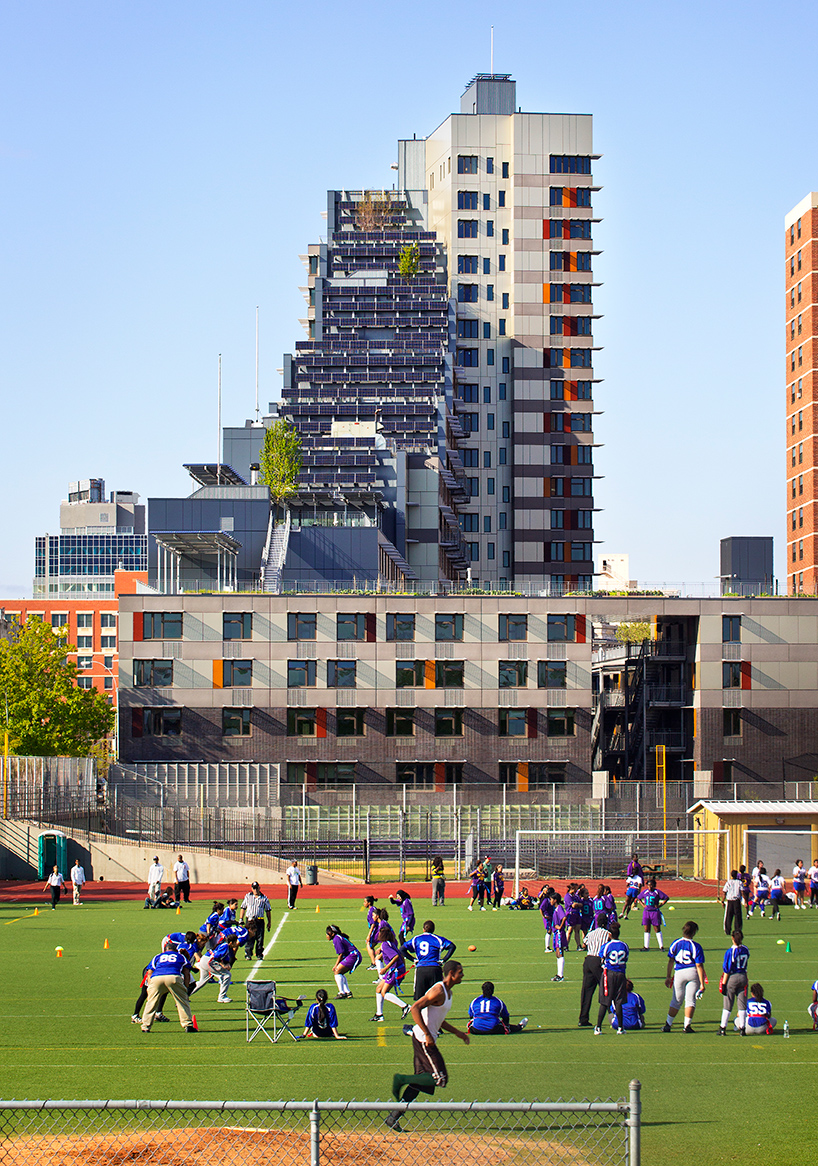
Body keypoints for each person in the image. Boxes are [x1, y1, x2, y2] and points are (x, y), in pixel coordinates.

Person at [386, 960, 470, 1131]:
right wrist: (426, 1033)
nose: (462, 975)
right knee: (440, 1079)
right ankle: (402, 1079)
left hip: (425, 1038)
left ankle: (393, 1117)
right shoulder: (438, 990)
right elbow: (415, 1007)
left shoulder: (449, 993)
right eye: (460, 972)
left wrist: (458, 1033)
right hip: (423, 1040)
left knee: (420, 1083)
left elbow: (439, 1019)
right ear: (451, 973)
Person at [662, 920, 706, 1034]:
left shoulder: (676, 943)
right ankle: (687, 1026)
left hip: (679, 973)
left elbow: (670, 961)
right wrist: (702, 983)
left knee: (676, 1000)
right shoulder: (695, 946)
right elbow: (699, 966)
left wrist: (668, 976)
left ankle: (668, 1024)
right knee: (690, 1000)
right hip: (692, 972)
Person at [140, 948, 196, 1033]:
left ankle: (145, 1026)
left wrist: (150, 987)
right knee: (182, 1001)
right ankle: (187, 1025)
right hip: (173, 977)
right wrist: (185, 987)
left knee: (151, 1002)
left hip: (156, 978)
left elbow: (150, 972)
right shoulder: (180, 956)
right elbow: (186, 972)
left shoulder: (158, 956)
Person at [401, 920, 457, 1000]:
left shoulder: (416, 939)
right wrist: (443, 960)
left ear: (423, 929)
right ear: (433, 930)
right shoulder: (438, 939)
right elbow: (452, 946)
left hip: (421, 969)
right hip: (435, 969)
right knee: (436, 997)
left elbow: (402, 949)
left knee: (420, 999)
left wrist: (413, 959)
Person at [371, 917, 411, 1022]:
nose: (378, 935)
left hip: (395, 970)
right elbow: (400, 954)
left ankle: (405, 1006)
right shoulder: (389, 943)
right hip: (396, 970)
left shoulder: (385, 945)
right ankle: (379, 1014)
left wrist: (385, 968)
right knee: (378, 989)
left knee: (384, 992)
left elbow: (395, 957)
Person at [578, 914, 612, 1027]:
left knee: (586, 991)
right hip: (599, 961)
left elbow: (584, 944)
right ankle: (612, 1015)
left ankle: (583, 1018)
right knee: (606, 988)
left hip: (588, 960)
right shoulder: (607, 934)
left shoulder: (591, 933)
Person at [595, 923, 629, 1034]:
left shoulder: (607, 946)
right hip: (621, 974)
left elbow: (601, 957)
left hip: (609, 974)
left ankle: (598, 1027)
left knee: (605, 1001)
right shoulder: (624, 945)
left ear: (609, 934)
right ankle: (620, 1028)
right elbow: (626, 958)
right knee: (618, 1001)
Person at [718, 929, 750, 1036]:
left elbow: (727, 969)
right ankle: (742, 1028)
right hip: (743, 976)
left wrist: (723, 984)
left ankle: (723, 1028)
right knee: (742, 1004)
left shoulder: (730, 952)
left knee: (728, 1004)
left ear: (732, 938)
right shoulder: (746, 949)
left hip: (732, 977)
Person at [191, 935, 238, 1003]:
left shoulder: (227, 946)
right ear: (231, 942)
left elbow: (225, 958)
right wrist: (223, 965)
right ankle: (222, 997)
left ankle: (185, 995)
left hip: (205, 960)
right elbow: (216, 957)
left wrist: (227, 964)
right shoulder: (225, 946)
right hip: (208, 961)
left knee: (202, 981)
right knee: (226, 975)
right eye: (235, 942)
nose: (236, 944)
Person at [239, 882, 272, 959]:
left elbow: (268, 910)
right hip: (250, 920)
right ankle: (248, 953)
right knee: (249, 937)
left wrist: (269, 922)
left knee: (260, 938)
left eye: (256, 888)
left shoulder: (264, 898)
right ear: (251, 889)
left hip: (259, 920)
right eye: (254, 888)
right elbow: (243, 907)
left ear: (259, 888)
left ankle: (259, 954)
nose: (255, 890)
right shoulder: (248, 896)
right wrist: (241, 919)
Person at [327, 925, 361, 998]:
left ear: (332, 933)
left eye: (327, 933)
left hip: (353, 956)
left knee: (337, 971)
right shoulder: (338, 937)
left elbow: (341, 954)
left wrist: (336, 965)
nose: (326, 935)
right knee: (340, 972)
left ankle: (342, 993)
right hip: (353, 955)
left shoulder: (336, 939)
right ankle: (347, 992)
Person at [636, 879, 669, 949]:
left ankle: (661, 946)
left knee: (657, 929)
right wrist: (643, 905)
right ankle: (646, 946)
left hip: (654, 912)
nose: (650, 887)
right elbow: (639, 898)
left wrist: (660, 905)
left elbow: (666, 898)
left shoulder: (657, 892)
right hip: (646, 912)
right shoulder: (645, 892)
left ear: (654, 886)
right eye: (648, 885)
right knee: (646, 929)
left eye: (651, 885)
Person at [549, 890, 569, 982]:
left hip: (559, 934)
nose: (550, 901)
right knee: (557, 953)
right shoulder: (556, 909)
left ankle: (561, 975)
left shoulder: (559, 908)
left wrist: (560, 926)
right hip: (556, 934)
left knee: (560, 952)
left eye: (551, 899)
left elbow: (564, 917)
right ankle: (558, 974)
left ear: (555, 900)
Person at [719, 869, 743, 935]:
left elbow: (724, 892)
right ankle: (737, 930)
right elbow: (742, 891)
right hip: (736, 901)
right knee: (737, 916)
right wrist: (745, 901)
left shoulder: (728, 882)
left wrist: (723, 901)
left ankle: (727, 930)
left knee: (729, 916)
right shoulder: (739, 882)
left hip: (730, 901)